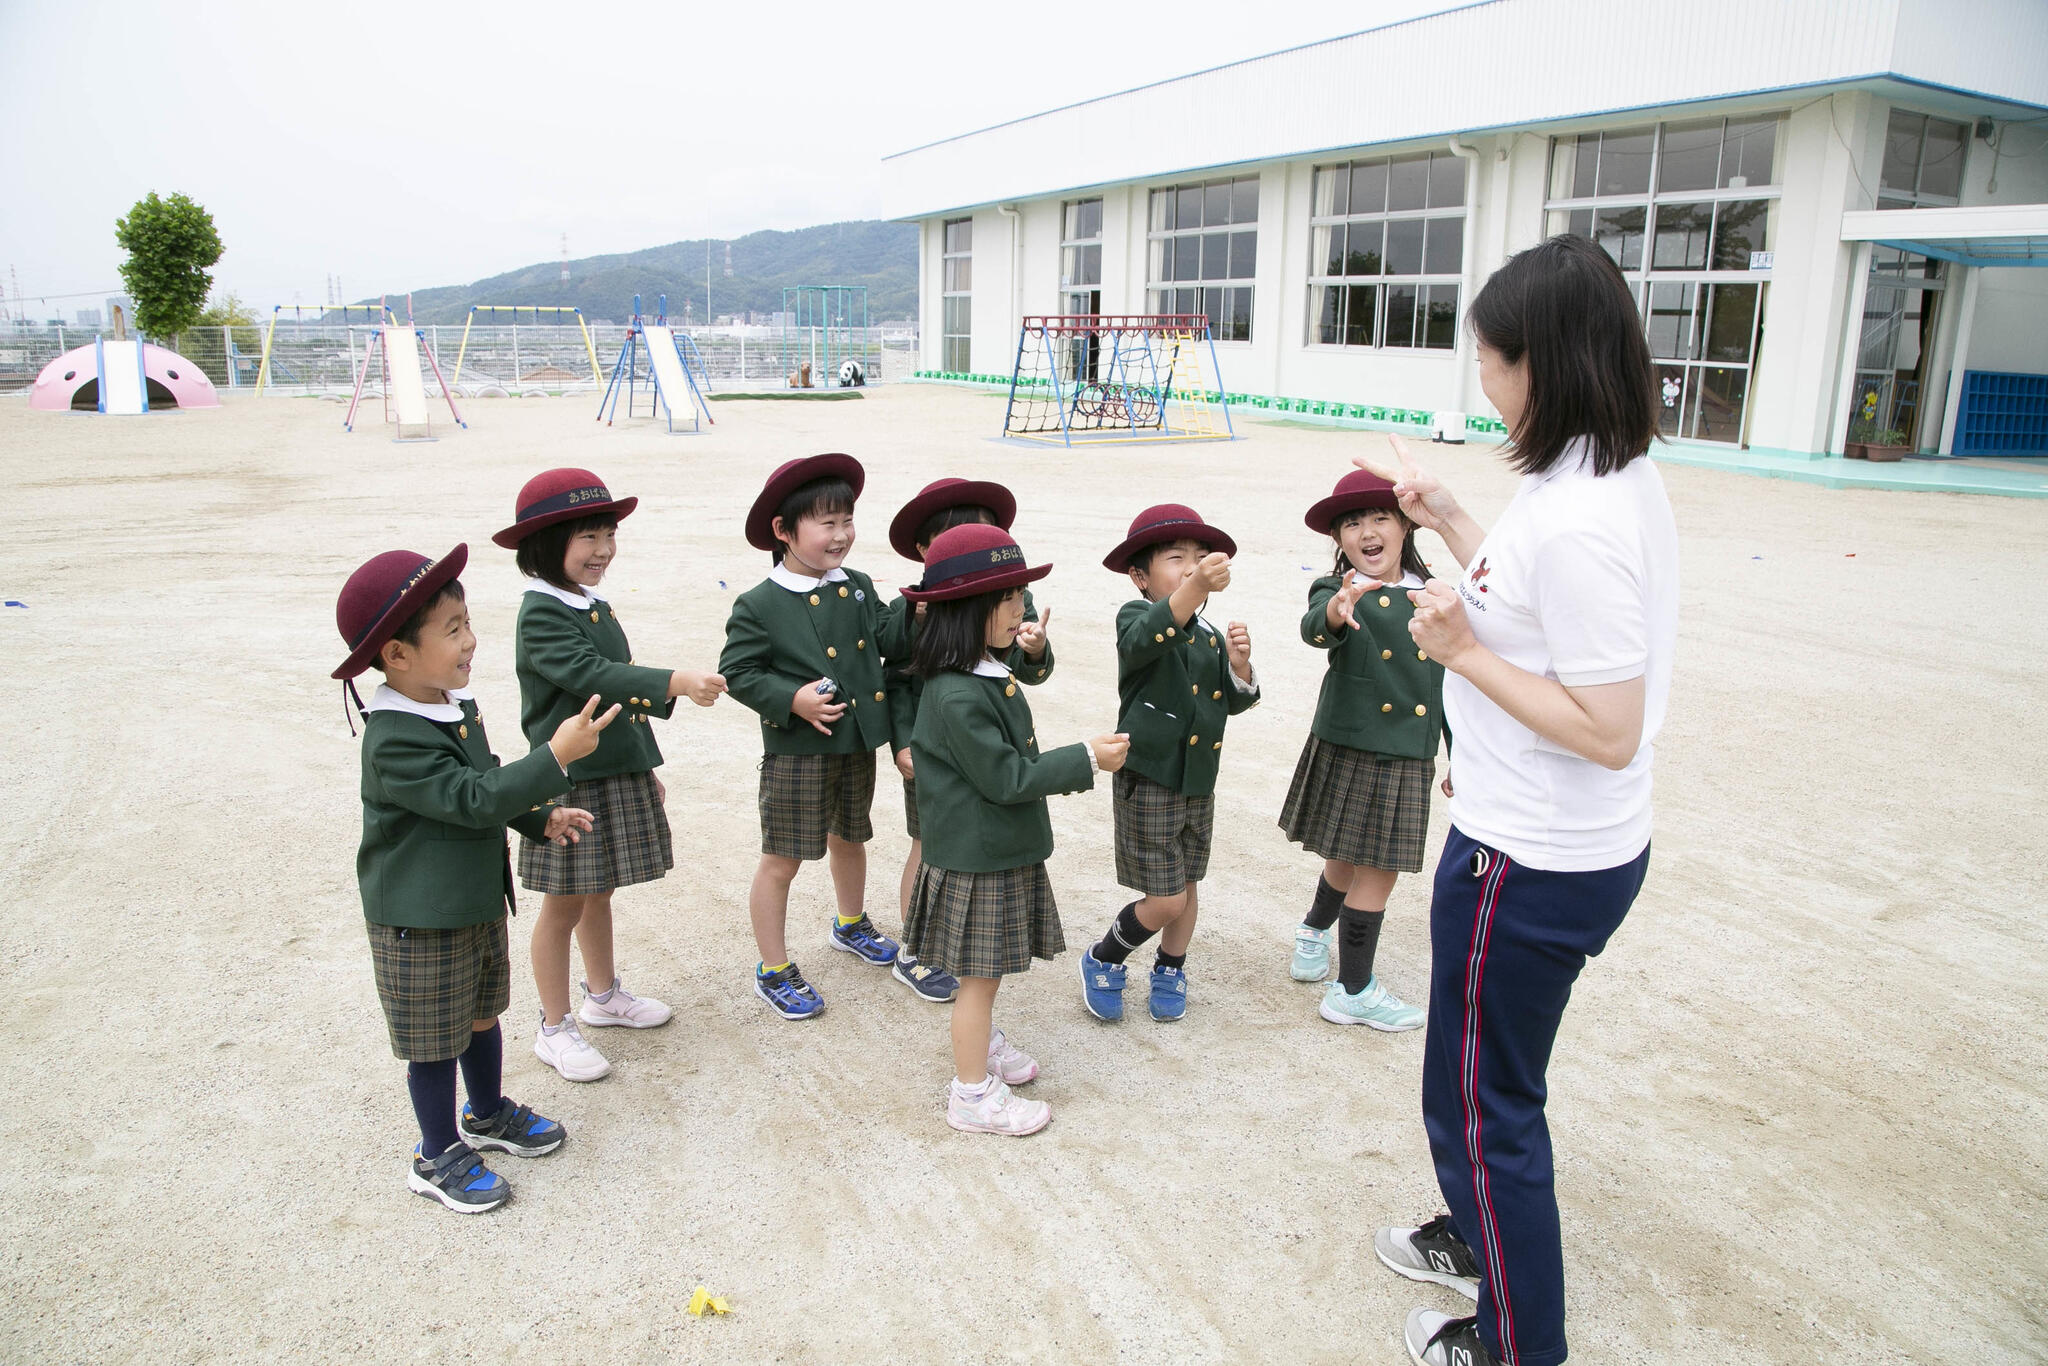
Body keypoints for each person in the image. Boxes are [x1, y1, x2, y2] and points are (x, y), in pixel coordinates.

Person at [1367, 234, 1678, 1366]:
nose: (1482, 382)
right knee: (1474, 1078)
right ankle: (1478, 1239)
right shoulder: (1589, 476)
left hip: (1530, 861)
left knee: (1487, 1104)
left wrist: (1457, 652)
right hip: (1535, 842)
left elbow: (1608, 729)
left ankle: (1513, 1343)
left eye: (1489, 361)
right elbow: (1535, 592)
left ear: (1536, 365)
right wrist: (1451, 517)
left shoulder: (1584, 517)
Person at [333, 542, 616, 1211]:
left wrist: (537, 818)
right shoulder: (394, 734)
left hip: (473, 900)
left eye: (468, 623)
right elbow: (468, 800)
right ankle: (435, 1155)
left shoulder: (453, 706)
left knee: (483, 1014)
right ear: (397, 655)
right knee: (434, 1041)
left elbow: (483, 787)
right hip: (420, 915)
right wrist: (553, 757)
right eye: (453, 630)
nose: (471, 641)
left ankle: (485, 1114)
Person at [899, 523, 1127, 1134]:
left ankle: (985, 1047)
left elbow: (1023, 672)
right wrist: (1084, 757)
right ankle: (970, 1094)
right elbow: (1005, 778)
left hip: (989, 848)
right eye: (1006, 599)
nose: (1019, 606)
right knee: (975, 980)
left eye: (1020, 594)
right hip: (978, 855)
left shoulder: (979, 667)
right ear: (966, 611)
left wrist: (1030, 649)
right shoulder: (956, 694)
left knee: (985, 973)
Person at [500, 469, 726, 1082]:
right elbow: (595, 675)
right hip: (567, 779)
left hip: (609, 769)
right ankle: (553, 1026)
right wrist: (674, 681)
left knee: (598, 889)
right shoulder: (542, 613)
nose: (604, 550)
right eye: (589, 538)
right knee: (564, 903)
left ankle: (603, 996)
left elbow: (613, 687)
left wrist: (641, 764)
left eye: (609, 535)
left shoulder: (588, 602)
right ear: (545, 545)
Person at [719, 453, 897, 1019]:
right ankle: (772, 967)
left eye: (847, 520)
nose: (842, 535)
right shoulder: (759, 603)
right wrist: (791, 700)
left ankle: (849, 923)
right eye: (827, 523)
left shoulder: (860, 586)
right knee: (783, 859)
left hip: (856, 743)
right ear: (783, 531)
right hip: (799, 752)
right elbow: (739, 673)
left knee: (852, 835)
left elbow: (892, 636)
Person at [1077, 504, 1257, 1024]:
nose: (1191, 566)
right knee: (1166, 898)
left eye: (1199, 558)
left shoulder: (1206, 636)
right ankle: (1105, 955)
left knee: (1188, 882)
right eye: (1176, 558)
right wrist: (1196, 587)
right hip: (1151, 776)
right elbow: (1152, 632)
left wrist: (1240, 668)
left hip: (1198, 778)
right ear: (1139, 575)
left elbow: (1229, 700)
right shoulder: (1136, 618)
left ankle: (1171, 966)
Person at [1278, 470, 1444, 1030]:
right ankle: (1353, 991)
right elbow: (1315, 627)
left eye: (1380, 518)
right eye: (1353, 523)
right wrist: (1337, 608)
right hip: (1353, 741)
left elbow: (1451, 681)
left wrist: (1462, 753)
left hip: (1407, 751)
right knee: (1375, 867)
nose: (1367, 531)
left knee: (1353, 859)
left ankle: (1312, 931)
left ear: (1405, 527)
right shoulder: (1337, 589)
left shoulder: (1435, 592)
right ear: (1339, 540)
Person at [878, 477, 1054, 1004]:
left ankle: (955, 948)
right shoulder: (914, 604)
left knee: (972, 847)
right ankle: (915, 948)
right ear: (924, 550)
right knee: (930, 843)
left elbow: (1029, 669)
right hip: (933, 747)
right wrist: (901, 741)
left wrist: (1037, 649)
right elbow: (892, 665)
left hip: (986, 738)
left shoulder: (1008, 597)